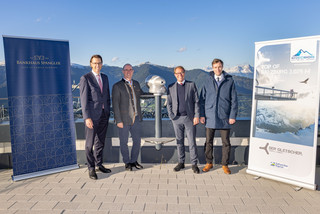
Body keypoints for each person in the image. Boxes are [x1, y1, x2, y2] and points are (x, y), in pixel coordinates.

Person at [200, 59, 238, 174]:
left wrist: (232, 115)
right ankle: (209, 162)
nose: (218, 69)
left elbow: (234, 100)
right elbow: (202, 99)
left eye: (220, 67)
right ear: (212, 68)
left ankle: (225, 164)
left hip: (224, 116)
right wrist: (202, 115)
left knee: (226, 142)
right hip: (210, 116)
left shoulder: (229, 80)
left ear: (222, 67)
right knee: (208, 141)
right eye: (215, 67)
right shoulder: (207, 80)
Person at [79, 55, 111, 180]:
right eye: (95, 63)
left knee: (100, 142)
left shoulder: (105, 77)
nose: (97, 65)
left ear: (102, 64)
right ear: (91, 64)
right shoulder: (85, 78)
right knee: (89, 144)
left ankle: (99, 164)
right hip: (92, 116)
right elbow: (83, 100)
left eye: (99, 63)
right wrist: (87, 117)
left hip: (104, 114)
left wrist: (108, 110)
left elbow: (107, 96)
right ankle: (91, 168)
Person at [167, 66, 200, 174]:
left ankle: (194, 164)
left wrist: (196, 116)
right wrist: (171, 116)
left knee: (191, 142)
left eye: (181, 73)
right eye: (177, 73)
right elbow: (169, 103)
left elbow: (196, 101)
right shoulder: (171, 87)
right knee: (179, 141)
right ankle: (181, 162)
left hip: (189, 118)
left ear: (184, 73)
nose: (179, 75)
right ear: (174, 74)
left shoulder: (191, 85)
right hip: (176, 118)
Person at [112, 63, 144, 171]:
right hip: (123, 119)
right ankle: (127, 162)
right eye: (126, 70)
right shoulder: (117, 86)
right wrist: (118, 120)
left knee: (137, 141)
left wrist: (157, 92)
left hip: (136, 118)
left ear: (133, 71)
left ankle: (134, 161)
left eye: (130, 70)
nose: (128, 72)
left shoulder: (136, 84)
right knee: (123, 142)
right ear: (123, 71)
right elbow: (115, 104)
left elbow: (142, 94)